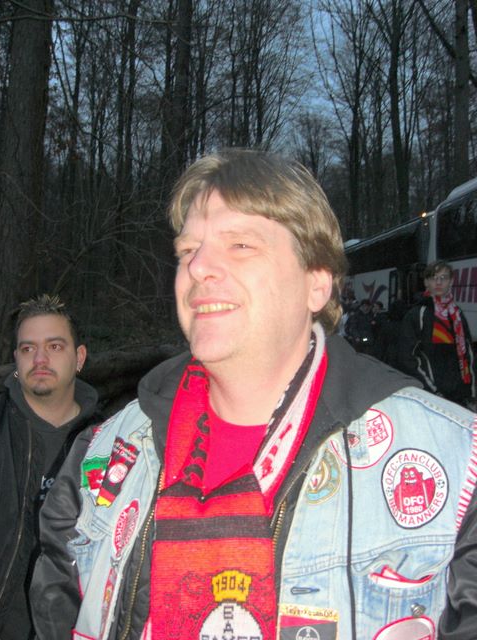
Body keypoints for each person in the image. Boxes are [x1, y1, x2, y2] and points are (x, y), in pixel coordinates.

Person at [30, 150, 477, 640]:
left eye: (240, 244)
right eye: (187, 250)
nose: (198, 267)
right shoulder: (100, 456)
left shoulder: (458, 465)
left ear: (317, 284)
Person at [0, 294, 99, 640]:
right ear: (16, 359)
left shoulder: (110, 445)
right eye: (28, 349)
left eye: (54, 346)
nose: (40, 359)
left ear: (79, 357)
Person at [399, 261, 476, 409]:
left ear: (451, 282)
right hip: (431, 397)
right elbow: (407, 358)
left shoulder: (457, 314)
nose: (439, 282)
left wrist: (470, 391)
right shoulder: (417, 315)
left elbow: (468, 353)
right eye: (434, 278)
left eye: (444, 278)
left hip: (459, 397)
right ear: (426, 282)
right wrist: (433, 390)